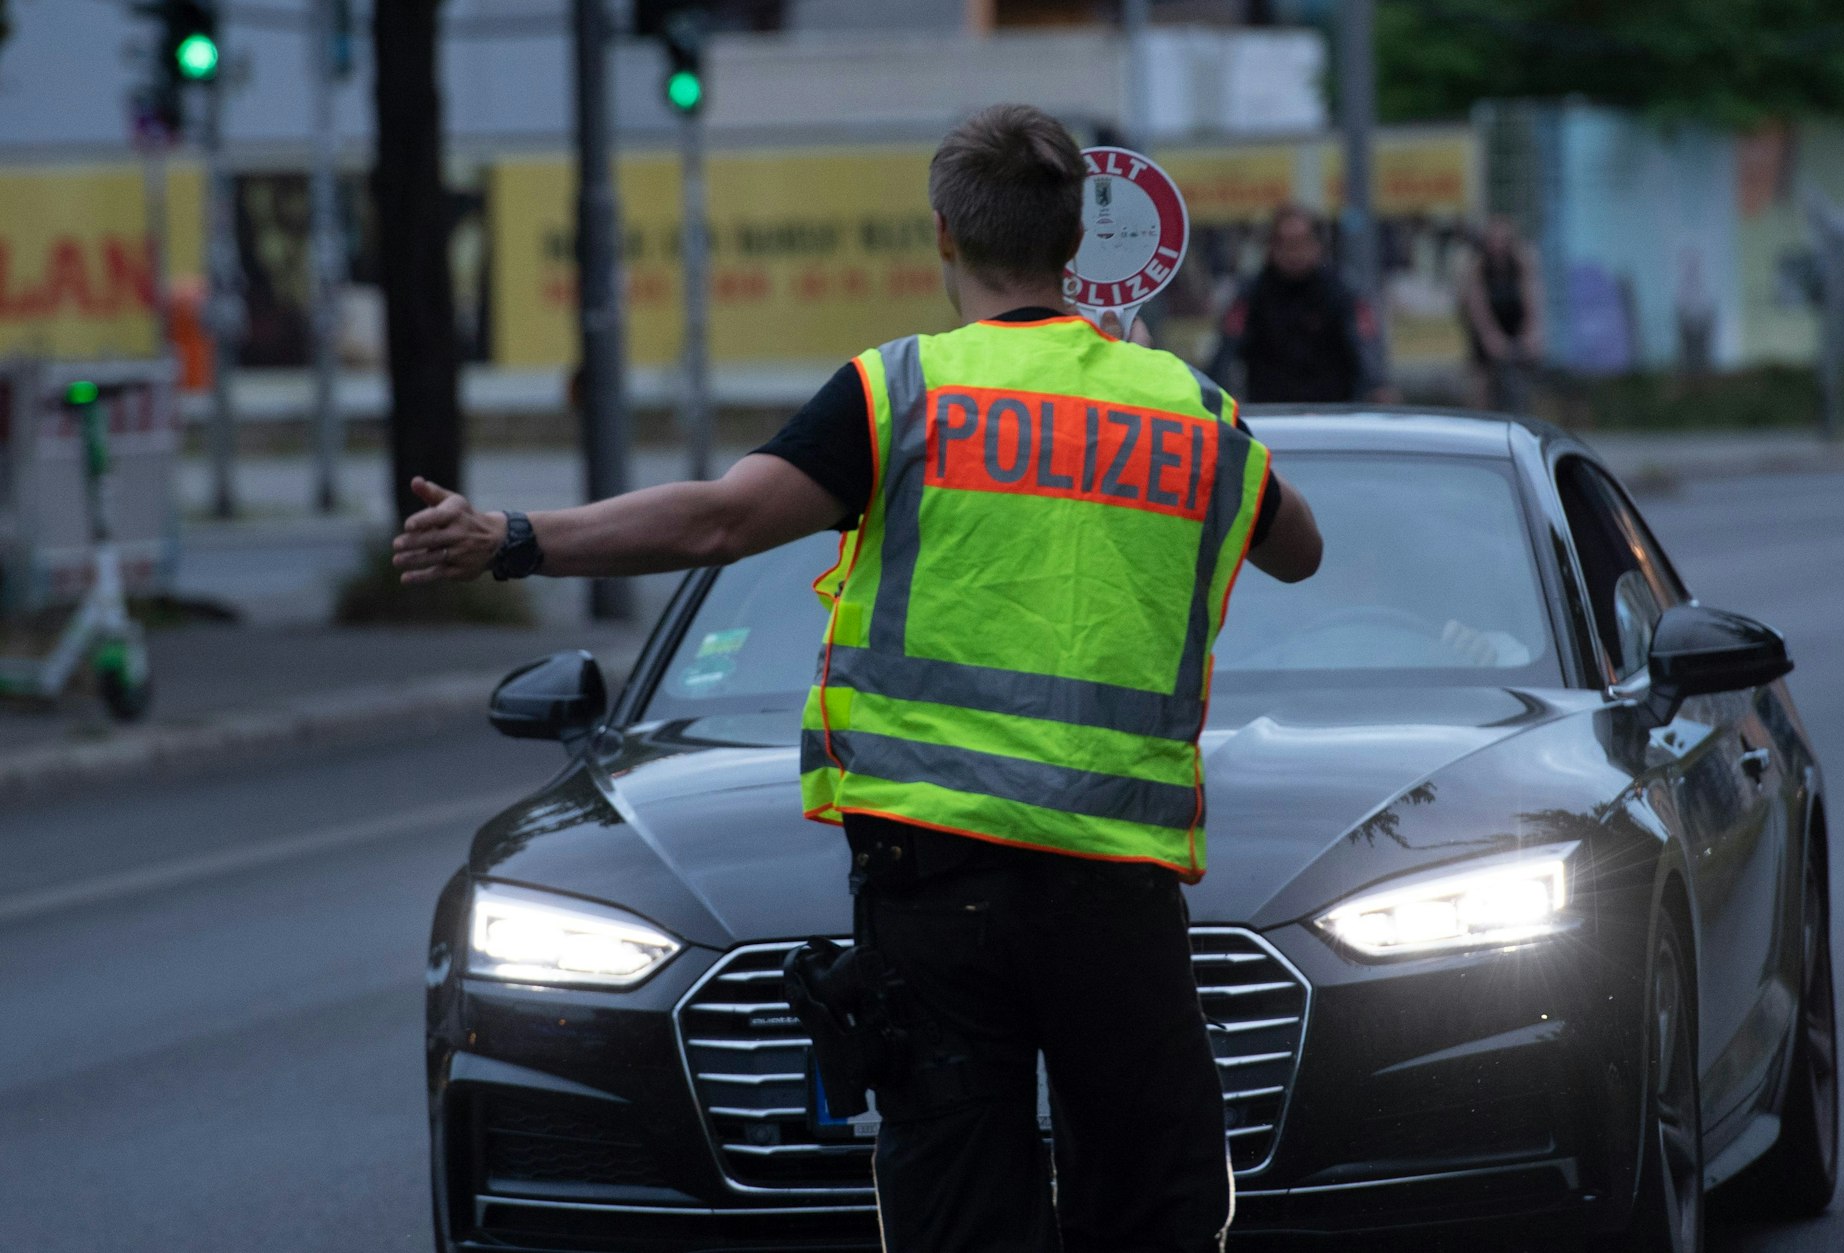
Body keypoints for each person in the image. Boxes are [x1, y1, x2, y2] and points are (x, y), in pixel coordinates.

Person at [392, 103, 1323, 1253]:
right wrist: (1150, 390)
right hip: (1113, 891)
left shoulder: (902, 394)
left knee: (958, 1208)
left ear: (942, 234)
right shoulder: (1187, 410)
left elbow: (717, 523)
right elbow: (1297, 546)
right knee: (1149, 1207)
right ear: (1077, 243)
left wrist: (514, 535)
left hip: (933, 889)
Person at [1235, 204, 1385, 404]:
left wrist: (1378, 386)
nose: (1293, 252)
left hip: (1333, 409)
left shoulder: (1341, 291)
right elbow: (1229, 344)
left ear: (1317, 245)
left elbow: (1365, 343)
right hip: (1271, 409)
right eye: (1285, 244)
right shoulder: (1252, 293)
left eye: (1300, 242)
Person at [1459, 215, 1544, 412]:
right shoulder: (1477, 267)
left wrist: (1531, 333)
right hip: (1486, 323)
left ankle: (1526, 412)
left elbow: (1532, 300)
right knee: (1482, 378)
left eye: (1503, 240)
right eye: (1493, 240)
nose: (1498, 246)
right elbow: (1478, 308)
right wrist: (1490, 337)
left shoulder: (1522, 262)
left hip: (1513, 320)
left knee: (1525, 369)